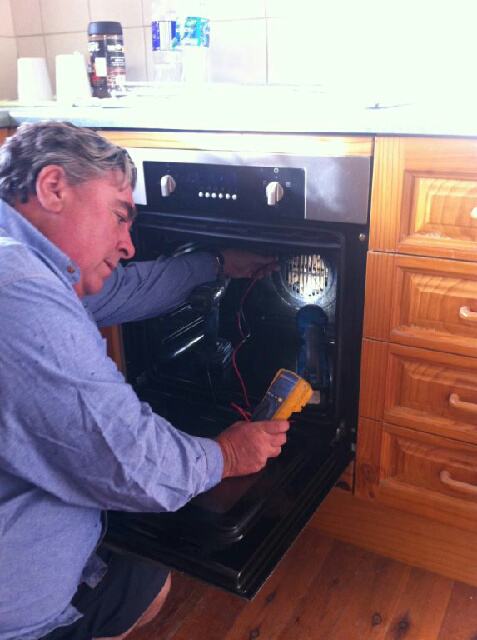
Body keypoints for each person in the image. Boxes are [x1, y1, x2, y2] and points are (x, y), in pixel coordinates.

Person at [0, 121, 289, 640]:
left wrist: (217, 264)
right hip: (16, 611)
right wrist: (225, 455)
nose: (128, 244)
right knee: (149, 581)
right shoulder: (17, 289)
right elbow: (129, 461)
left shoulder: (27, 262)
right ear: (53, 188)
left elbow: (125, 289)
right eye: (119, 216)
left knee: (144, 573)